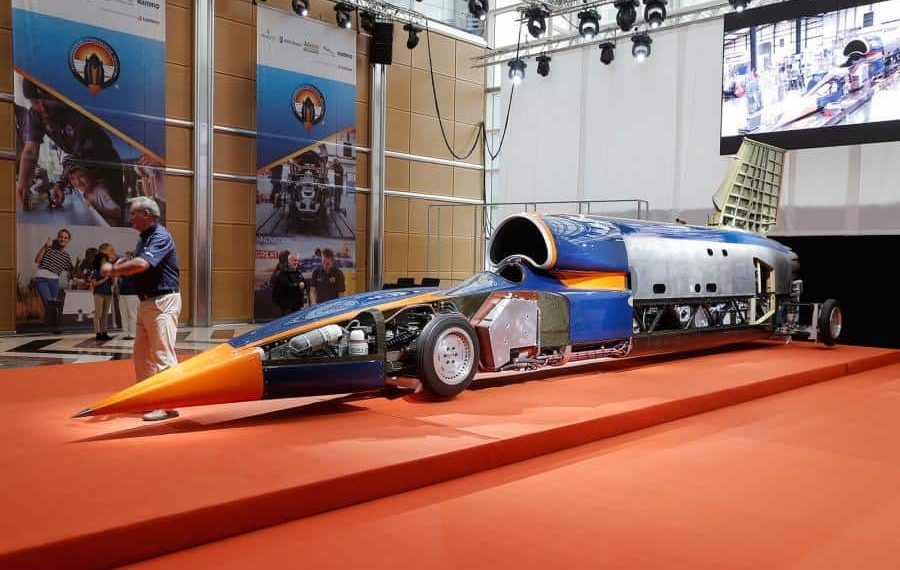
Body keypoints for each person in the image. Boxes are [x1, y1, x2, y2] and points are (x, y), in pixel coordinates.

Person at [102, 196, 180, 422]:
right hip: (147, 302)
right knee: (142, 355)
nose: (130, 218)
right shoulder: (144, 239)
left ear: (147, 215)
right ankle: (148, 399)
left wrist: (114, 270)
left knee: (162, 354)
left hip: (162, 302)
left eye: (134, 214)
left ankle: (168, 404)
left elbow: (142, 264)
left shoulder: (160, 236)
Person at [15, 78, 124, 213]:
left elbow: (78, 158)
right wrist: (23, 184)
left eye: (46, 99)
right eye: (35, 102)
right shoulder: (34, 115)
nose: (42, 108)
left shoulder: (76, 109)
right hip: (82, 171)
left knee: (113, 215)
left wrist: (61, 184)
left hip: (106, 167)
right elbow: (30, 151)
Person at [33, 228, 75, 328]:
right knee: (48, 303)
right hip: (42, 278)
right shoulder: (49, 248)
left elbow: (72, 272)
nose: (63, 239)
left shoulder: (66, 257)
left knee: (54, 304)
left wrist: (78, 262)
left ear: (68, 240)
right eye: (61, 237)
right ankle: (53, 326)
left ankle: (50, 326)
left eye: (65, 237)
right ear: (58, 237)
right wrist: (45, 246)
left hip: (54, 281)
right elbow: (37, 260)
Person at [65, 157, 123, 226]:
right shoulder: (79, 189)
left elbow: (118, 213)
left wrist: (97, 210)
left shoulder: (101, 191)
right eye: (72, 178)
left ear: (90, 175)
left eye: (81, 176)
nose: (77, 182)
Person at [90, 245, 114, 341]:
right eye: (103, 260)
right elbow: (94, 284)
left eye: (105, 260)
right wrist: (104, 279)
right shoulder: (96, 270)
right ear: (99, 261)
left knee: (105, 314)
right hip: (99, 293)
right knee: (98, 313)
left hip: (108, 293)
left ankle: (104, 332)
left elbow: (112, 282)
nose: (104, 262)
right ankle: (98, 333)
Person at [117, 252, 139, 341]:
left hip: (132, 293)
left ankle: (133, 333)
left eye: (128, 257)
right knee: (123, 314)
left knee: (132, 314)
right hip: (122, 293)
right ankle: (125, 332)